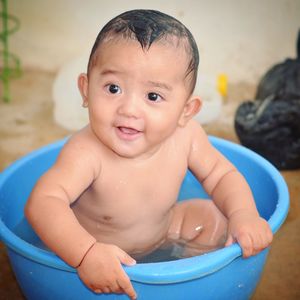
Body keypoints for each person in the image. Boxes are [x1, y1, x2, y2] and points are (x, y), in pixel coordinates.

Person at [25, 9, 273, 300]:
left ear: (185, 111)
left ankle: (185, 272)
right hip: (100, 248)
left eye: (153, 96)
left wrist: (244, 214)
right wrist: (85, 252)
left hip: (165, 230)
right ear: (85, 90)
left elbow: (222, 176)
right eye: (113, 88)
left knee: (214, 217)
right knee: (56, 236)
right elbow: (42, 203)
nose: (129, 109)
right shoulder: (86, 152)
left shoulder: (187, 135)